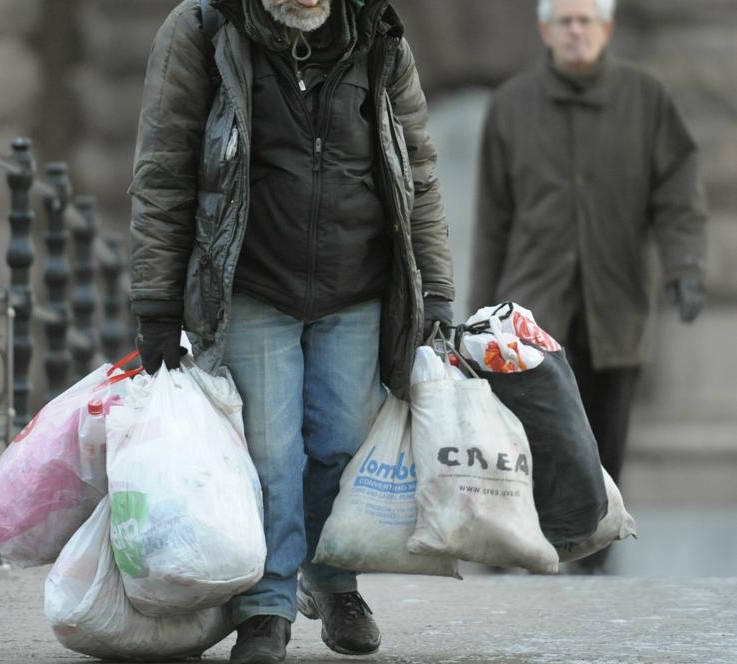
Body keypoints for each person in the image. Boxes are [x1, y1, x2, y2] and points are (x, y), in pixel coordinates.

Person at [129, 0, 455, 661]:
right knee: (273, 457)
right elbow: (162, 173)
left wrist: (437, 284)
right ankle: (266, 608)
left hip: (357, 286)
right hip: (252, 284)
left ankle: (334, 585)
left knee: (341, 448)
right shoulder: (202, 29)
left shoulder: (377, 31)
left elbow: (417, 168)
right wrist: (157, 302)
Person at [469, 0, 708, 572]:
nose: (576, 31)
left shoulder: (646, 100)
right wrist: (474, 318)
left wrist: (685, 268)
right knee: (531, 440)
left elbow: (677, 195)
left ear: (607, 28)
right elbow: (492, 222)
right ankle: (518, 551)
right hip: (533, 314)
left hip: (616, 307)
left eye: (587, 21)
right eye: (565, 21)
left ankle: (594, 564)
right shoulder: (510, 106)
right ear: (545, 29)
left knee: (606, 442)